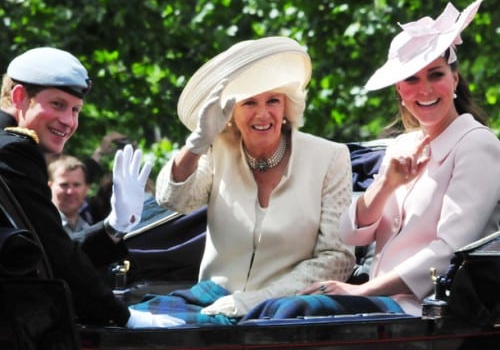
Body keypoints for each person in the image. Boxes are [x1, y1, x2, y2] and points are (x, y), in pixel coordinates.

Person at [242, 0, 500, 320]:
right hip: (380, 303)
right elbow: (351, 234)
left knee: (294, 313)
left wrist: (362, 290)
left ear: (454, 80)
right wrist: (386, 185)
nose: (425, 90)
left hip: (425, 312)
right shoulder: (401, 146)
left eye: (435, 75)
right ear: (400, 93)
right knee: (266, 311)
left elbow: (449, 252)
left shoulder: (477, 145)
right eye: (411, 80)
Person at [152, 36, 355, 321]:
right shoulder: (216, 148)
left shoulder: (330, 157)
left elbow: (337, 258)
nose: (263, 113)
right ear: (231, 112)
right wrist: (196, 144)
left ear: (287, 107)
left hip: (286, 310)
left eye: (273, 100)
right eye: (249, 102)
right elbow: (174, 200)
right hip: (210, 302)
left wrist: (256, 301)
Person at [0, 47, 181, 327]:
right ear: (20, 96)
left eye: (75, 110)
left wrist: (114, 227)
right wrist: (123, 316)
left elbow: (44, 253)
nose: (69, 121)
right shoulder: (13, 150)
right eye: (58, 104)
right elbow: (56, 257)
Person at [48, 155, 101, 242]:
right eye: (64, 185)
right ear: (50, 187)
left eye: (76, 185)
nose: (70, 192)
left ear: (86, 189)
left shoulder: (90, 226)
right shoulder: (39, 225)